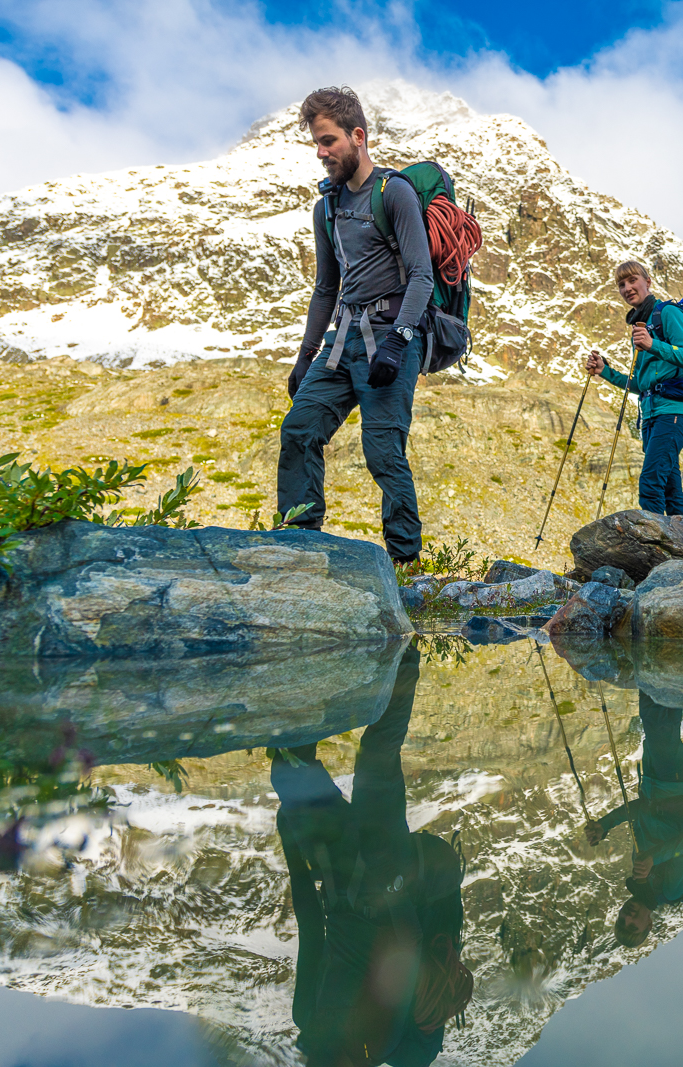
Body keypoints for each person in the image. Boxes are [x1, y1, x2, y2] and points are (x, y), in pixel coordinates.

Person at [272, 646, 471, 1066]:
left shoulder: (306, 1018)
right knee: (376, 761)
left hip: (343, 881)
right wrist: (387, 888)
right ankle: (400, 653)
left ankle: (310, 664)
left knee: (287, 772)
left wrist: (293, 849)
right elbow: (407, 952)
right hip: (389, 881)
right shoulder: (375, 1044)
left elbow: (311, 927)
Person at [277, 86, 436, 567]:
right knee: (299, 429)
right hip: (340, 342)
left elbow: (422, 276)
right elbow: (326, 289)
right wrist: (305, 358)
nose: (322, 154)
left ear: (357, 136)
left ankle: (405, 566)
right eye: (317, 145)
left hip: (391, 340)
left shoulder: (395, 193)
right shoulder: (324, 207)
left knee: (383, 452)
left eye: (328, 142)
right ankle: (300, 545)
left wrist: (398, 342)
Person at [584, 692, 683, 946]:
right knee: (656, 718)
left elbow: (641, 811)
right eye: (633, 926)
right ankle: (662, 665)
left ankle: (668, 670)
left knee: (660, 720)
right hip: (675, 785)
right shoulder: (671, 890)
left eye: (620, 921)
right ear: (648, 924)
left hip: (654, 782)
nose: (627, 918)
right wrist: (654, 858)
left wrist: (604, 825)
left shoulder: (639, 876)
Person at [583, 262, 683, 517]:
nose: (627, 288)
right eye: (621, 285)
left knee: (650, 484)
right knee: (670, 489)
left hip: (675, 411)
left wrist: (652, 345)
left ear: (648, 281)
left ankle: (656, 552)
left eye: (632, 280)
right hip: (650, 417)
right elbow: (641, 384)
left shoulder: (667, 313)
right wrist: (605, 371)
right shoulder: (639, 326)